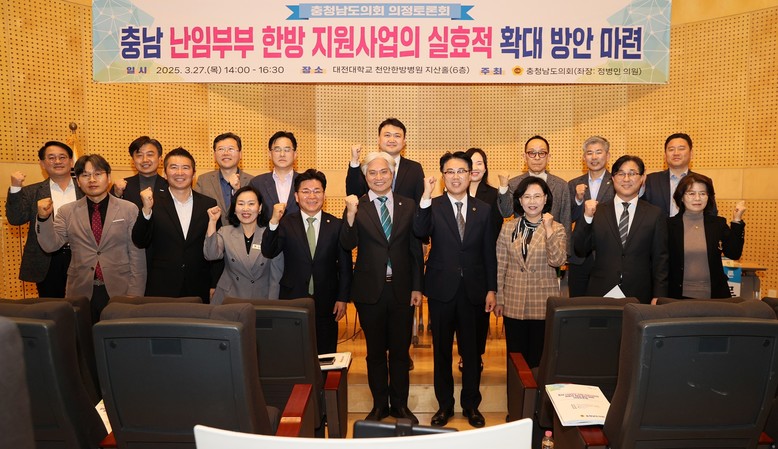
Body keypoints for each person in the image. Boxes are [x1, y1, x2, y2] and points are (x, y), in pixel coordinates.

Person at [413, 151, 497, 428]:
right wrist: (425, 197)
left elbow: (489, 252)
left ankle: (471, 405)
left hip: (474, 290)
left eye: (462, 171)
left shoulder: (483, 209)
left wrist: (492, 289)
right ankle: (444, 406)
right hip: (441, 290)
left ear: (471, 174)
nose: (456, 176)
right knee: (441, 352)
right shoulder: (432, 205)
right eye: (450, 171)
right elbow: (419, 231)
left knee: (471, 353)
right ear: (443, 176)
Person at [340, 152, 423, 425]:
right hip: (369, 291)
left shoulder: (408, 204)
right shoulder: (357, 205)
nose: (378, 177)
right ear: (365, 177)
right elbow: (347, 243)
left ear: (392, 174)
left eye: (383, 172)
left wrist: (417, 286)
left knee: (400, 352)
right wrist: (350, 215)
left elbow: (415, 249)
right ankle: (379, 405)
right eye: (372, 173)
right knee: (375, 353)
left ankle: (400, 406)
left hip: (401, 290)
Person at [36, 154, 145, 322]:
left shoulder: (129, 209)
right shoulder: (67, 211)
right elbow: (50, 245)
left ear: (108, 177)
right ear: (78, 182)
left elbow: (137, 254)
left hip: (120, 290)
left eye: (98, 174)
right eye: (85, 175)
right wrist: (43, 219)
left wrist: (135, 294)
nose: (92, 180)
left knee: (118, 336)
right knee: (83, 337)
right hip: (80, 291)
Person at [262, 169, 352, 354]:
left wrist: (342, 298)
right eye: (305, 191)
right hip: (292, 299)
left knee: (325, 354)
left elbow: (345, 266)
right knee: (293, 352)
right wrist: (273, 222)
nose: (312, 196)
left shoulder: (336, 225)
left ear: (324, 195)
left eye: (317, 191)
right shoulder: (286, 223)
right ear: (296, 196)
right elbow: (269, 251)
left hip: (327, 302)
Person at [573, 155, 669, 304]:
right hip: (601, 292)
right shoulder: (598, 211)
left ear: (642, 178)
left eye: (632, 173)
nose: (626, 179)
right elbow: (580, 248)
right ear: (613, 178)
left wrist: (659, 295)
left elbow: (660, 259)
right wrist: (587, 217)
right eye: (621, 174)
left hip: (639, 294)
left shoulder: (654, 214)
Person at [494, 177, 567, 368]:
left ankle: (537, 389)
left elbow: (557, 260)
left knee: (539, 359)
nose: (532, 201)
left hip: (542, 301)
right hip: (513, 300)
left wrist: (548, 229)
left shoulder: (557, 228)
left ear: (545, 199)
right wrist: (499, 298)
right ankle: (516, 389)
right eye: (527, 197)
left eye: (537, 196)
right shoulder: (508, 228)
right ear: (520, 200)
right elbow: (500, 265)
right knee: (515, 358)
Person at [132, 147, 218, 303]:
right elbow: (140, 240)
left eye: (185, 167)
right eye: (173, 167)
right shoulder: (152, 202)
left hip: (198, 285)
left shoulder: (208, 204)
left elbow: (216, 246)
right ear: (165, 173)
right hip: (162, 286)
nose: (180, 173)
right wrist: (146, 210)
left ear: (194, 173)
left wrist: (214, 283)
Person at [6, 141, 82, 297]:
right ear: (42, 163)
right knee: (51, 305)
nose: (58, 161)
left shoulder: (85, 189)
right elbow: (15, 219)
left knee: (83, 303)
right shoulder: (32, 192)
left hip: (81, 255)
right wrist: (15, 187)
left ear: (71, 161)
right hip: (47, 258)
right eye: (51, 158)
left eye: (62, 157)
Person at [667, 173, 745, 299]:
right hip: (677, 296)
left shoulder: (718, 224)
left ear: (708, 197)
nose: (697, 198)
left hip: (715, 296)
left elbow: (734, 253)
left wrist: (737, 221)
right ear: (681, 197)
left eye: (703, 193)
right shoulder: (668, 225)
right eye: (691, 193)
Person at [460, 147, 502, 372]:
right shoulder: (456, 191)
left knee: (480, 314)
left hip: (484, 260)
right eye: (471, 163)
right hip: (459, 264)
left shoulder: (494, 195)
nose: (475, 168)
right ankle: (464, 355)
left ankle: (477, 354)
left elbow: (496, 227)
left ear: (485, 168)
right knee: (461, 315)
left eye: (479, 163)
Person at [203, 186, 282, 304]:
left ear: (259, 208)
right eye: (241, 204)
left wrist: (272, 304)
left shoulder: (270, 234)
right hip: (228, 299)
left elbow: (276, 276)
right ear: (234, 209)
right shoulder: (225, 232)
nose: (245, 209)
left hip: (260, 299)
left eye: (251, 204)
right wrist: (212, 222)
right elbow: (211, 255)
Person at [497, 135, 571, 256]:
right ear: (524, 157)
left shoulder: (561, 185)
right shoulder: (514, 184)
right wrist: (504, 187)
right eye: (532, 153)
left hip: (552, 250)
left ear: (548, 157)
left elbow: (566, 220)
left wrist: (565, 255)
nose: (537, 157)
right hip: (521, 249)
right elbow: (506, 212)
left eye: (542, 153)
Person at [567, 136, 615, 297]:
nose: (594, 157)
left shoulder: (616, 182)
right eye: (589, 153)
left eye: (598, 152)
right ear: (583, 157)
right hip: (579, 254)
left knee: (604, 303)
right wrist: (578, 200)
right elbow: (569, 217)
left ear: (607, 156)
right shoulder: (573, 184)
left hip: (607, 252)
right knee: (577, 302)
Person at [346, 118, 424, 203]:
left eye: (397, 136)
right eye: (387, 135)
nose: (392, 140)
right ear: (379, 139)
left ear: (404, 141)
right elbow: (353, 195)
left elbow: (419, 201)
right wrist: (354, 161)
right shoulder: (368, 166)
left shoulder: (415, 169)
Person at [643, 133, 718, 217]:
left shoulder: (703, 181)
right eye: (671, 149)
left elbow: (711, 213)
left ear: (691, 154)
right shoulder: (650, 180)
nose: (676, 153)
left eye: (681, 149)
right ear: (665, 155)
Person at [195, 132, 253, 226]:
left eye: (231, 149)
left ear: (240, 154)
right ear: (214, 155)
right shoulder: (203, 181)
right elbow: (197, 212)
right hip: (213, 234)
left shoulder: (253, 181)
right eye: (221, 149)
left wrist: (237, 190)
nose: (226, 153)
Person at [250, 131, 299, 225]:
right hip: (266, 233)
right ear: (270, 154)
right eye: (277, 150)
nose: (282, 154)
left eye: (287, 150)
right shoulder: (257, 183)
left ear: (295, 154)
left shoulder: (304, 182)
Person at [113, 136, 168, 209]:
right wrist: (117, 195)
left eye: (150, 155)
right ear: (133, 160)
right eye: (139, 155)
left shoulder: (169, 186)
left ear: (160, 159)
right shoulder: (122, 187)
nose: (145, 160)